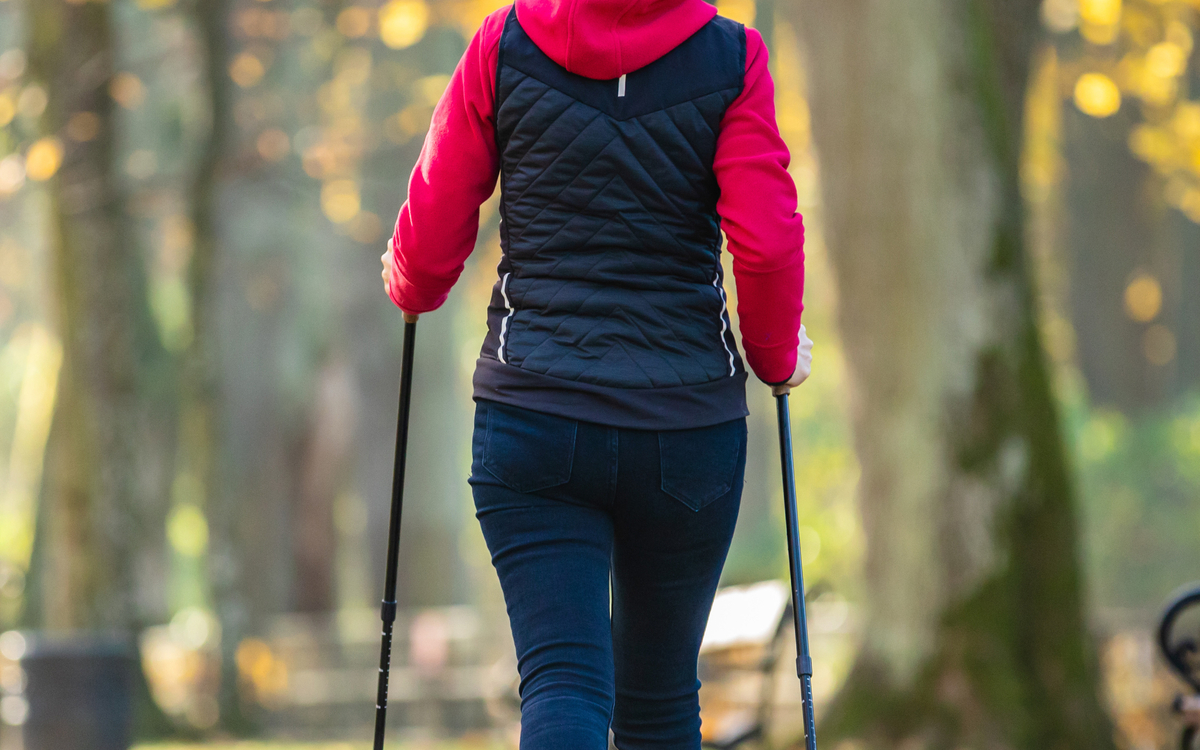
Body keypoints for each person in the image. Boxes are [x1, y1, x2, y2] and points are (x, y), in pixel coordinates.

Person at [380, 0, 811, 745]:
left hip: (536, 416)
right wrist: (776, 357)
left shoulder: (503, 44)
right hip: (686, 428)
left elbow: (432, 230)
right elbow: (767, 246)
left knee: (562, 680)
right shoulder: (732, 59)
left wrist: (409, 285)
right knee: (662, 698)